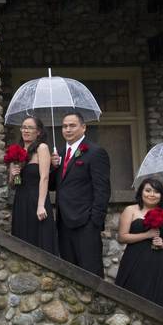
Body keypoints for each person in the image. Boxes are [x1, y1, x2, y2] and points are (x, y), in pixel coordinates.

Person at [50, 111, 111, 277]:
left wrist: (95, 222)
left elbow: (102, 190)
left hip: (86, 223)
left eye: (72, 125)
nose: (67, 129)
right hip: (64, 223)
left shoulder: (95, 152)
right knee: (69, 274)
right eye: (64, 126)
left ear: (83, 128)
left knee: (90, 273)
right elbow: (52, 186)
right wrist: (53, 167)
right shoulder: (59, 154)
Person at [114, 179, 163, 313]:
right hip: (134, 261)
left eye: (156, 192)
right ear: (141, 192)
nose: (152, 194)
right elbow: (122, 237)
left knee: (161, 303)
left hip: (158, 263)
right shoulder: (130, 210)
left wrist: (162, 244)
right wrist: (147, 235)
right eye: (148, 190)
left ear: (161, 195)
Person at [9, 116, 57, 254]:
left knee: (40, 239)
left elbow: (44, 177)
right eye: (23, 127)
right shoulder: (16, 150)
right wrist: (14, 174)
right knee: (22, 239)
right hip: (21, 200)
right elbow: (14, 184)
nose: (25, 130)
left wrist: (41, 205)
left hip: (37, 198)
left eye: (30, 127)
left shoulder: (42, 148)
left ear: (39, 132)